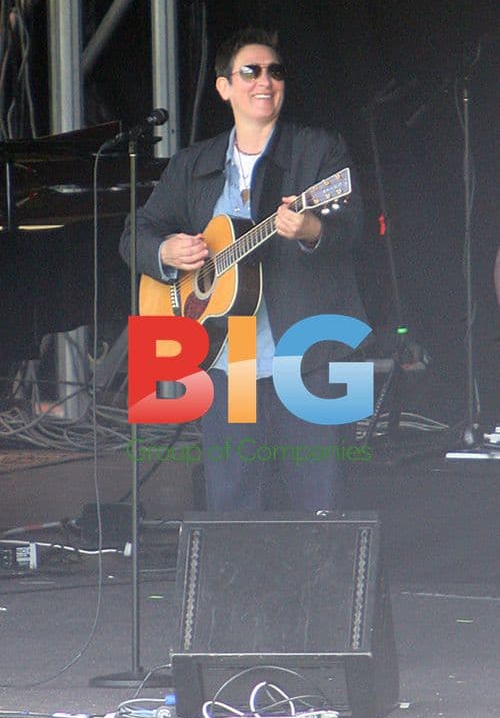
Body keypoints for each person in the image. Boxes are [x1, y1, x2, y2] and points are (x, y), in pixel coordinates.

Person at [120, 26, 368, 511]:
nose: (265, 81)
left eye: (275, 71)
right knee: (233, 504)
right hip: (223, 361)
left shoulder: (318, 150)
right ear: (224, 86)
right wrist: (167, 252)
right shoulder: (195, 163)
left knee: (321, 503)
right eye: (250, 71)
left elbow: (355, 224)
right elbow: (137, 233)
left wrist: (311, 230)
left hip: (307, 357)